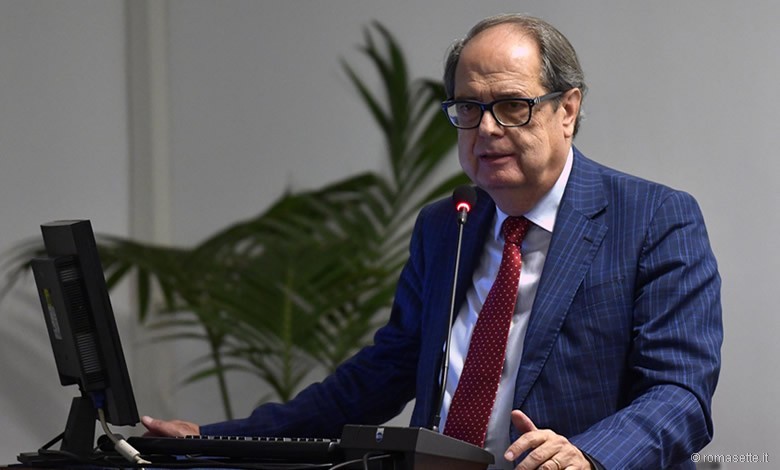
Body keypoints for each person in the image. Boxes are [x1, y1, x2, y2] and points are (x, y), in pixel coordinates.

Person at [142, 13, 722, 470]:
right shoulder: (448, 224)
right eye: (469, 108)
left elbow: (680, 392)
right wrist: (216, 440)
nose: (487, 128)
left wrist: (588, 457)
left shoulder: (653, 219)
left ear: (567, 110)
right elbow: (380, 374)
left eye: (512, 106)